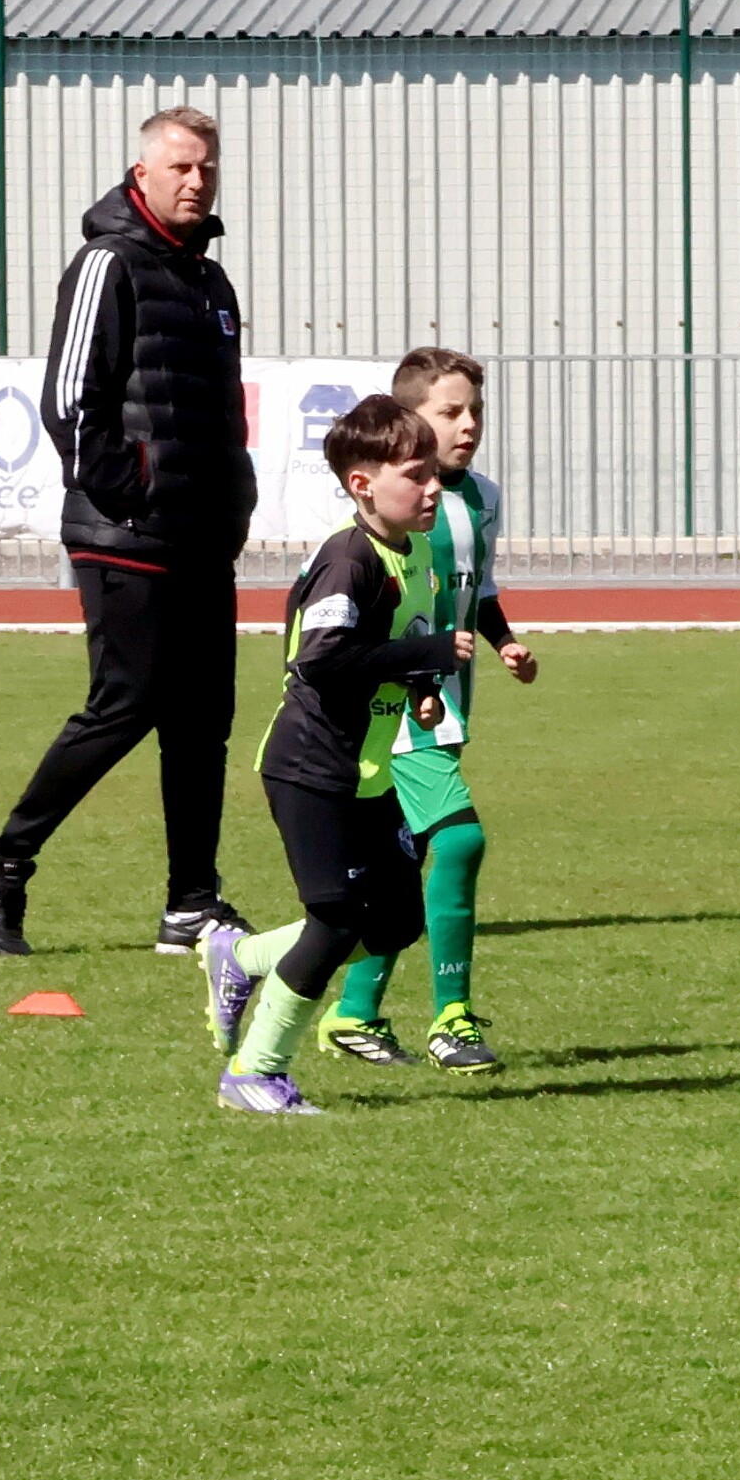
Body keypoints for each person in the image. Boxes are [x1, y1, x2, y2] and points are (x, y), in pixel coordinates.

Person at [0, 107, 257, 958]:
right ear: (142, 173)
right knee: (127, 702)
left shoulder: (210, 282)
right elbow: (68, 398)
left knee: (202, 721)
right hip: (126, 532)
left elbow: (222, 411)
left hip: (203, 539)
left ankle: (191, 902)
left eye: (208, 167)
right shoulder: (107, 263)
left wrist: (234, 499)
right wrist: (130, 492)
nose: (197, 181)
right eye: (181, 166)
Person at [200, 396, 470, 1117]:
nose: (433, 488)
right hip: (312, 770)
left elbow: (389, 646)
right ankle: (255, 1072)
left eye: (434, 472)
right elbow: (320, 659)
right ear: (362, 484)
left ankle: (243, 958)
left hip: (368, 774)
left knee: (396, 922)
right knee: (337, 920)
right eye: (416, 475)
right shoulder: (349, 559)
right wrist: (426, 652)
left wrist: (420, 687)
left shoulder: (413, 551)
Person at [319, 348, 537, 1074]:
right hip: (401, 711)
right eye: (451, 411)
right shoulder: (391, 511)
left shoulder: (483, 497)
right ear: (409, 419)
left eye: (476, 410)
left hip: (447, 705)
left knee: (400, 864)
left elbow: (481, 587)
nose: (469, 424)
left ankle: (354, 1011)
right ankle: (451, 1018)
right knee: (462, 840)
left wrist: (505, 643)